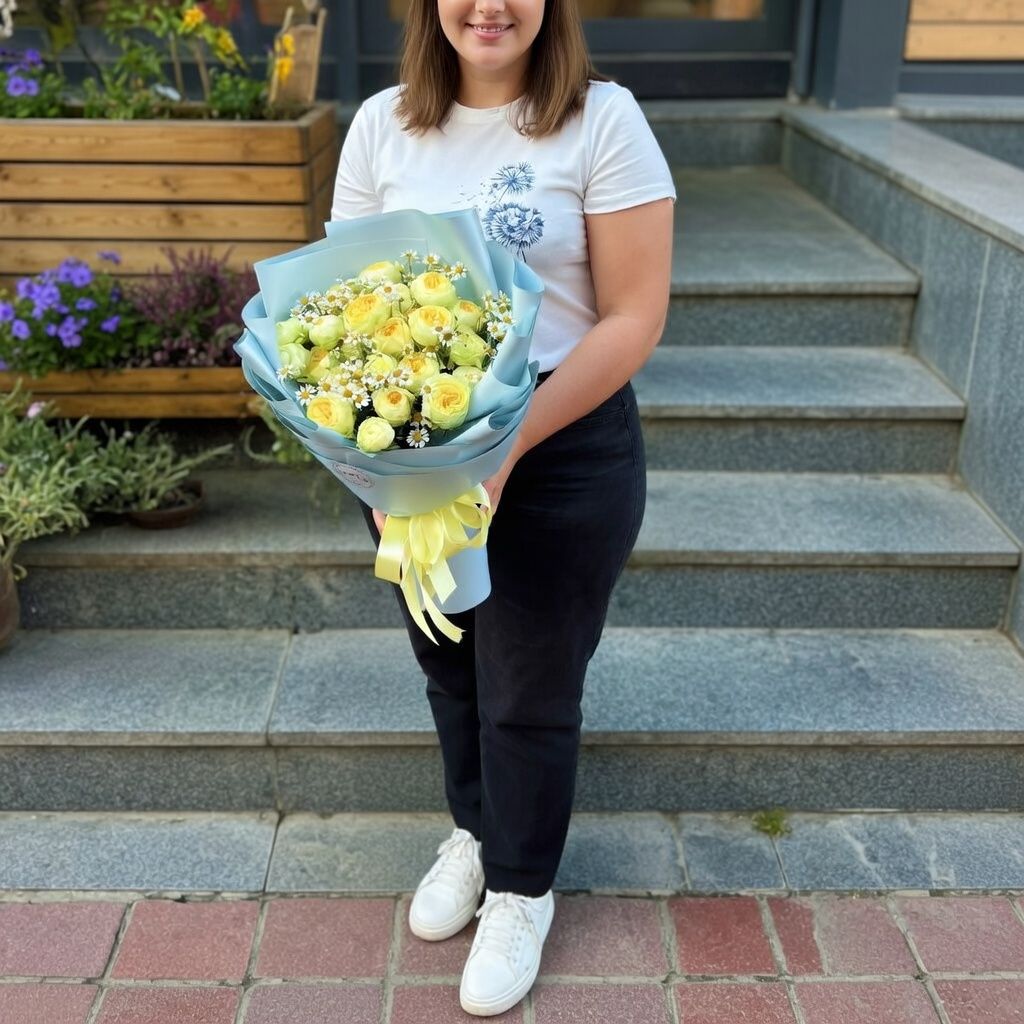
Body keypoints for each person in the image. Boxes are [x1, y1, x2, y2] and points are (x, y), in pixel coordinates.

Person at [330, 0, 675, 1015]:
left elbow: (633, 315)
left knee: (529, 684)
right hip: (417, 447)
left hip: (562, 445)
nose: (489, 6)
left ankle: (523, 890)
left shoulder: (602, 120)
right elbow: (342, 306)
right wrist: (381, 468)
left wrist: (505, 446)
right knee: (449, 662)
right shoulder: (382, 124)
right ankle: (477, 836)